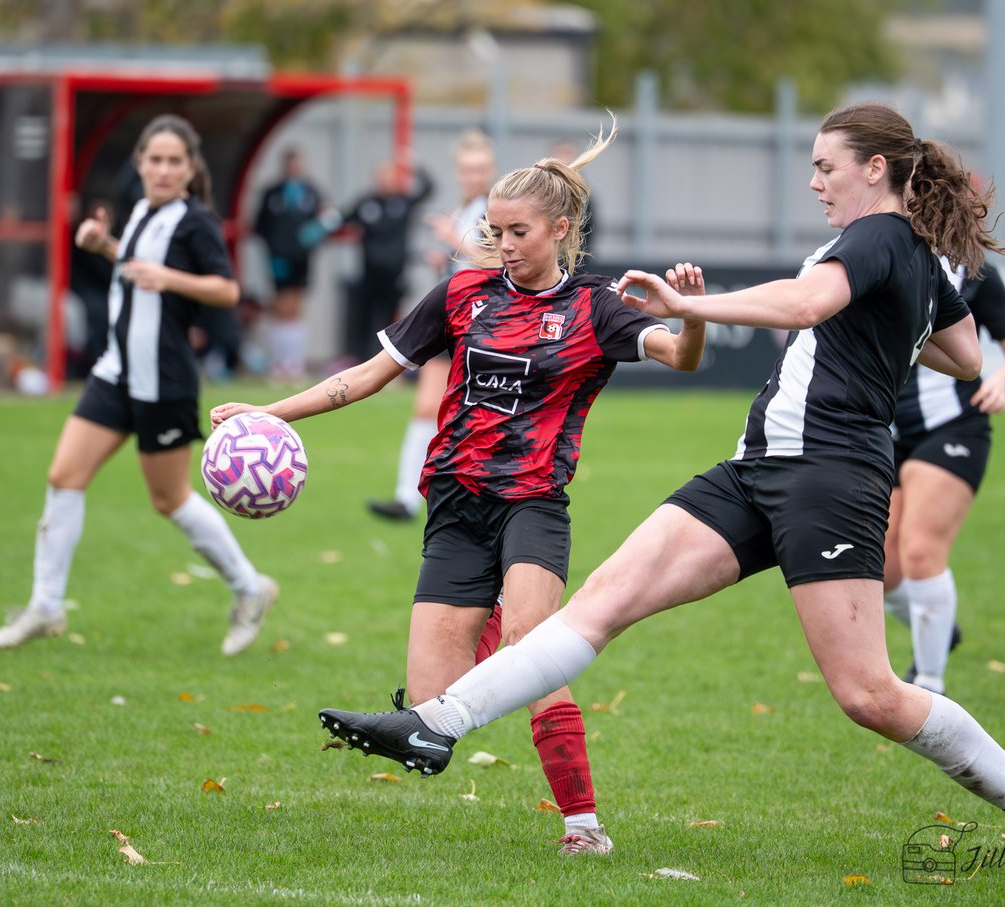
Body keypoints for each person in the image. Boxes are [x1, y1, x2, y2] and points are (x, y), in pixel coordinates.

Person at [316, 102, 1005, 879]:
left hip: (830, 475)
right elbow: (963, 352)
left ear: (873, 168)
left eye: (825, 165)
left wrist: (689, 306)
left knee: (869, 693)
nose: (814, 180)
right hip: (757, 466)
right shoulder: (899, 246)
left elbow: (807, 304)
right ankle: (434, 722)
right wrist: (895, 331)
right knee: (601, 603)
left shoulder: (880, 234)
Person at [212, 121, 707, 855]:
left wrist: (691, 315)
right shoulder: (463, 292)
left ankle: (583, 828)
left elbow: (680, 356)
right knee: (428, 706)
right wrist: (267, 411)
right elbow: (362, 378)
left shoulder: (596, 306)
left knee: (535, 649)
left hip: (533, 503)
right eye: (495, 230)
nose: (504, 244)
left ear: (560, 228)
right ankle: (498, 638)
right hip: (454, 503)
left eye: (518, 231)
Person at [0, 114, 277, 655]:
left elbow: (227, 291)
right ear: (140, 163)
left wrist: (170, 279)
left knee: (169, 499)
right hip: (115, 372)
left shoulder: (195, 222)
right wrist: (105, 245)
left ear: (191, 170)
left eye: (174, 161)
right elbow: (141, 267)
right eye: (154, 159)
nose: (163, 170)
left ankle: (248, 587)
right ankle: (45, 606)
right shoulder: (142, 210)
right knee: (63, 476)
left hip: (162, 381)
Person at [884, 262, 1005, 694]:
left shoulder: (975, 273)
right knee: (882, 568)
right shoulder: (884, 258)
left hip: (955, 426)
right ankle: (938, 626)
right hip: (890, 431)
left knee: (920, 552)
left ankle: (929, 686)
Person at [367, 130, 498, 522]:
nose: (473, 175)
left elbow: (497, 262)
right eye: (467, 168)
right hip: (455, 316)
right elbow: (469, 260)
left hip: (484, 322)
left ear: (490, 169)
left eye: (480, 168)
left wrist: (454, 240)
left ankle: (466, 495)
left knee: (475, 414)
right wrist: (444, 257)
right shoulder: (467, 206)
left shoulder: (495, 210)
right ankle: (407, 497)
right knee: (427, 407)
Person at [253, 148, 337, 382]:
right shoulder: (272, 193)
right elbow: (260, 225)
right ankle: (279, 363)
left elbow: (329, 218)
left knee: (297, 305)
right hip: (278, 257)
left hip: (303, 258)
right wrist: (276, 246)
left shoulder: (312, 192)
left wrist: (314, 234)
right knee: (280, 306)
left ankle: (294, 363)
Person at [341, 158, 434, 363]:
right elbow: (341, 219)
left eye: (388, 176)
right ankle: (362, 361)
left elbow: (428, 188)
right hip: (369, 275)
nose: (384, 181)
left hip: (395, 275)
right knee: (366, 319)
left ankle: (390, 364)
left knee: (391, 320)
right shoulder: (366, 203)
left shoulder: (402, 202)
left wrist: (414, 165)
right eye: (381, 177)